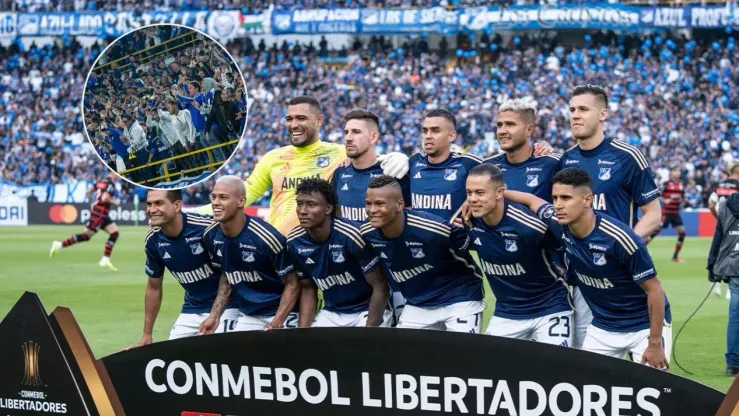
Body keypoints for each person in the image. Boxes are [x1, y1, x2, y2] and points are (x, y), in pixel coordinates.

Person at [507, 168, 672, 369]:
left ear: (587, 200)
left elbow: (654, 290)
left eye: (566, 198)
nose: (558, 205)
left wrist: (654, 343)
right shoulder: (559, 223)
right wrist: (496, 194)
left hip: (642, 328)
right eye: (555, 197)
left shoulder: (620, 238)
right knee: (589, 393)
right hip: (603, 327)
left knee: (654, 394)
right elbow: (531, 200)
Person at [195, 96, 409, 236]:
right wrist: (189, 215)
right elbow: (243, 195)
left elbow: (372, 161)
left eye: (301, 118)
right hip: (277, 248)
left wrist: (398, 158)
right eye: (289, 119)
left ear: (319, 120)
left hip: (317, 249)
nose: (293, 124)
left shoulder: (340, 153)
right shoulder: (273, 158)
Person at [557, 84, 662, 349]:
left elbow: (653, 214)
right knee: (587, 362)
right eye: (572, 109)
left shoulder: (627, 156)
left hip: (625, 276)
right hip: (585, 277)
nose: (575, 115)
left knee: (639, 356)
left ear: (603, 114)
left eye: (583, 109)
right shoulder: (564, 160)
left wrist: (626, 247)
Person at [360, 175, 485, 333]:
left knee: (461, 356)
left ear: (399, 204)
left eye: (379, 204)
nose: (372, 210)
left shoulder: (433, 229)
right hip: (417, 304)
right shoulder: (367, 233)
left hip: (459, 299)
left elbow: (471, 248)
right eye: (368, 204)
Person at [465, 164, 572, 346]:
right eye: (469, 193)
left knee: (555, 372)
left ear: (500, 193)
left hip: (549, 308)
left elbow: (566, 245)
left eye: (480, 193)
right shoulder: (467, 221)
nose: (473, 199)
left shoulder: (529, 226)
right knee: (487, 370)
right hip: (506, 313)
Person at [124, 190, 240, 349]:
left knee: (220, 357)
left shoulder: (207, 229)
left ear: (177, 205)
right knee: (173, 359)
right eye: (149, 204)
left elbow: (229, 273)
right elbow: (153, 286)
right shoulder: (153, 240)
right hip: (193, 307)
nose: (151, 210)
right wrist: (147, 334)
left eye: (159, 203)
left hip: (230, 305)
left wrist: (215, 315)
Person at [199, 176, 312, 332]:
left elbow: (292, 283)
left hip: (282, 312)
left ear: (241, 201)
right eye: (214, 197)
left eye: (223, 197)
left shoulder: (266, 238)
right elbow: (227, 275)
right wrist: (215, 315)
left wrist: (277, 321)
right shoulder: (210, 236)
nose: (216, 202)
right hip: (250, 314)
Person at [331, 108, 411, 324]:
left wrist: (404, 158)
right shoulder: (340, 174)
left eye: (356, 132)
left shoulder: (393, 171)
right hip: (353, 272)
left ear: (373, 136)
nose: (348, 137)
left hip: (391, 271)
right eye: (346, 132)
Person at [287, 179, 391, 327]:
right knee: (309, 349)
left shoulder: (353, 236)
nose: (302, 211)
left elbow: (381, 287)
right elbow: (308, 287)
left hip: (366, 310)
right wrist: (303, 331)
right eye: (299, 204)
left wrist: (369, 332)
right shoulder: (294, 241)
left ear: (328, 209)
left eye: (311, 205)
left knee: (363, 349)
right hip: (332, 312)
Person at [408, 109, 483, 221]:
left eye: (435, 131)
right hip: (417, 237)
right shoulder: (413, 161)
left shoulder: (468, 164)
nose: (428, 136)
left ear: (451, 136)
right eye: (425, 131)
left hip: (454, 237)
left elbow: (499, 185)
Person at [485, 99, 561, 202]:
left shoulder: (552, 163)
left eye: (510, 124)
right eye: (499, 125)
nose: (502, 131)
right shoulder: (488, 166)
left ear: (528, 130)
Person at [50, 171, 121, 271]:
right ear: (113, 173)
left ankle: (105, 259)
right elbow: (105, 198)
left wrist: (91, 203)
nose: (119, 176)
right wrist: (115, 201)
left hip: (101, 213)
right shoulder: (111, 184)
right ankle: (59, 245)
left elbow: (88, 191)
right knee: (86, 236)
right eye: (118, 174)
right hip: (99, 214)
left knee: (114, 233)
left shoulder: (101, 181)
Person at [707, 192, 739, 376]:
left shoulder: (726, 205)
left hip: (732, 266)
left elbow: (718, 236)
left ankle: (733, 363)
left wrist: (712, 265)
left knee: (735, 315)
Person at [645, 166, 687, 263]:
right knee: (655, 232)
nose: (678, 173)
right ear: (671, 172)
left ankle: (675, 257)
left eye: (678, 170)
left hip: (675, 213)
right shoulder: (666, 184)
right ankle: (640, 249)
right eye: (676, 170)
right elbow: (656, 194)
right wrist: (665, 200)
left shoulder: (681, 184)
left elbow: (683, 197)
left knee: (682, 233)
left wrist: (685, 201)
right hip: (666, 212)